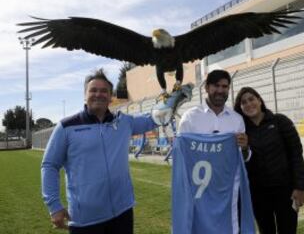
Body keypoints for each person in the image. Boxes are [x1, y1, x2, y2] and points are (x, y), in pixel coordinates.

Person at [41, 68, 157, 234]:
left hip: (122, 213)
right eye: (93, 90)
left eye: (104, 91)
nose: (99, 94)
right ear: (84, 95)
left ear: (110, 97)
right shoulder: (66, 127)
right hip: (85, 220)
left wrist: (174, 99)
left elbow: (154, 118)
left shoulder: (123, 122)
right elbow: (49, 165)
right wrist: (54, 206)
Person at [177, 69, 255, 233]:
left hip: (228, 193)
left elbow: (244, 159)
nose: (220, 90)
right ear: (206, 87)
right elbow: (182, 159)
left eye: (225, 86)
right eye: (216, 86)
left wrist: (245, 147)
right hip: (199, 195)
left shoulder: (237, 120)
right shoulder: (190, 118)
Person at [234, 87, 304, 234]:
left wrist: (300, 187)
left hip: (285, 191)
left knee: (288, 230)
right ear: (240, 108)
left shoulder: (280, 121)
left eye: (251, 99)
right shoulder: (241, 131)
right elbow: (241, 163)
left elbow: (296, 155)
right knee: (266, 231)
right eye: (243, 102)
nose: (248, 104)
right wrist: (244, 148)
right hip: (258, 194)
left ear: (259, 100)